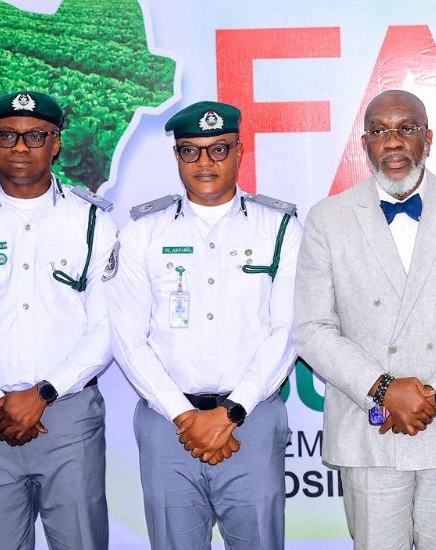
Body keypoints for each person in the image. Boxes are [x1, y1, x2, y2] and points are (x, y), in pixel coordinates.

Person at [293, 89, 436, 549]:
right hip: (369, 427)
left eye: (406, 129)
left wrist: (433, 396)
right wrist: (384, 389)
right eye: (380, 131)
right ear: (365, 144)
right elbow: (312, 329)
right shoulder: (328, 219)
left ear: (427, 138)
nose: (393, 142)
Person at [104, 100, 301, 549]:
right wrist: (184, 415)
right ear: (177, 155)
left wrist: (231, 412)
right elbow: (128, 338)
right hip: (168, 424)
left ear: (239, 151)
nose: (205, 162)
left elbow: (288, 330)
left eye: (219, 149)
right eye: (190, 150)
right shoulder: (142, 232)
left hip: (251, 420)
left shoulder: (280, 229)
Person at [0, 91, 116, 549]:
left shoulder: (92, 222)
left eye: (35, 136)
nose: (20, 147)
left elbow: (106, 327)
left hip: (68, 418)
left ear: (56, 143)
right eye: (7, 135)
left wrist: (43, 393)